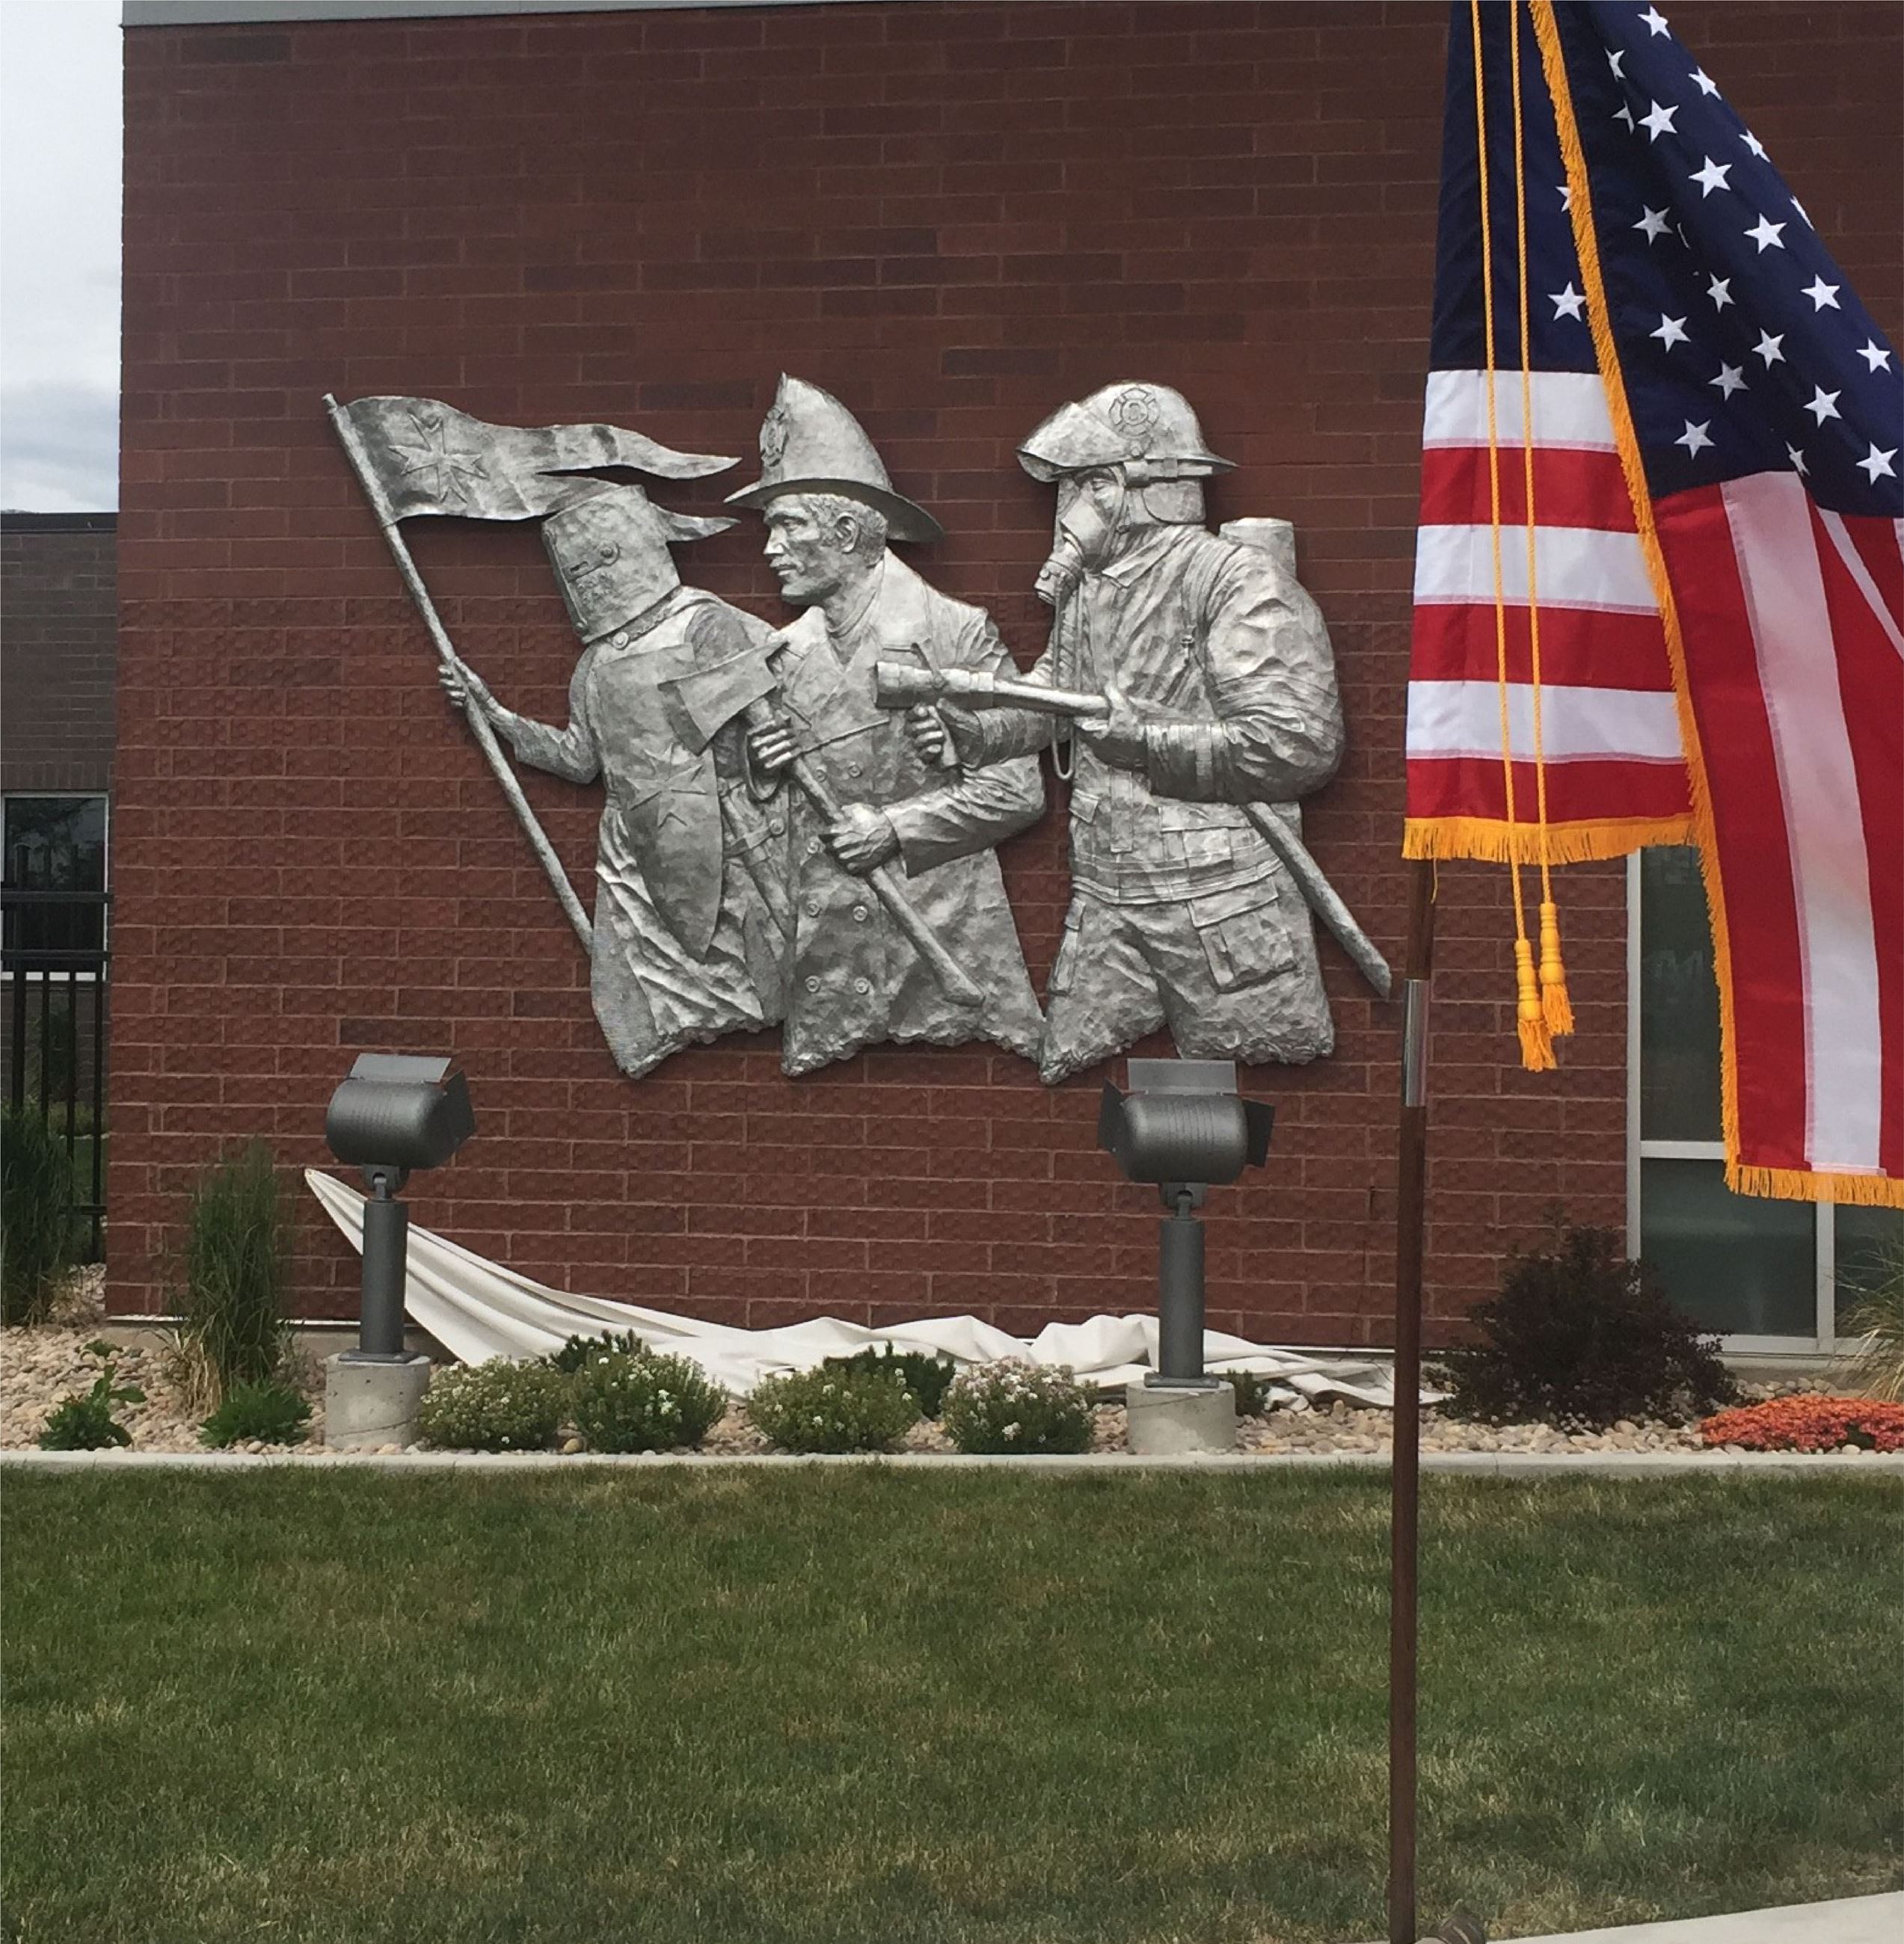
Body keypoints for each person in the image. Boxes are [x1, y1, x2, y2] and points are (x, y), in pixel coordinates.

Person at [921, 382, 1345, 1083]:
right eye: (1070, 487)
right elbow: (1059, 698)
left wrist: (1147, 743)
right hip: (1106, 901)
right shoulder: (1091, 589)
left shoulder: (1233, 580)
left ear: (1144, 488)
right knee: (1069, 1070)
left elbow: (1297, 744)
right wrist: (979, 733)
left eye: (1088, 484)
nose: (1070, 507)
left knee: (1242, 1078)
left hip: (1222, 905)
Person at [725, 375, 1045, 1075]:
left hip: (936, 942)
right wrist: (761, 772)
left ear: (845, 533)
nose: (770, 548)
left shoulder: (954, 633)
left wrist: (895, 828)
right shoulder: (781, 656)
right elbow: (757, 830)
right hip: (829, 964)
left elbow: (1017, 792)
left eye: (788, 525)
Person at [442, 479, 790, 1077]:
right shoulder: (595, 664)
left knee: (761, 961)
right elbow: (581, 761)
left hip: (725, 830)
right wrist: (494, 714)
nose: (592, 579)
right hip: (634, 851)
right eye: (579, 570)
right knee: (629, 990)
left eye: (603, 559)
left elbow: (768, 724)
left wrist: (770, 753)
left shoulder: (702, 624)